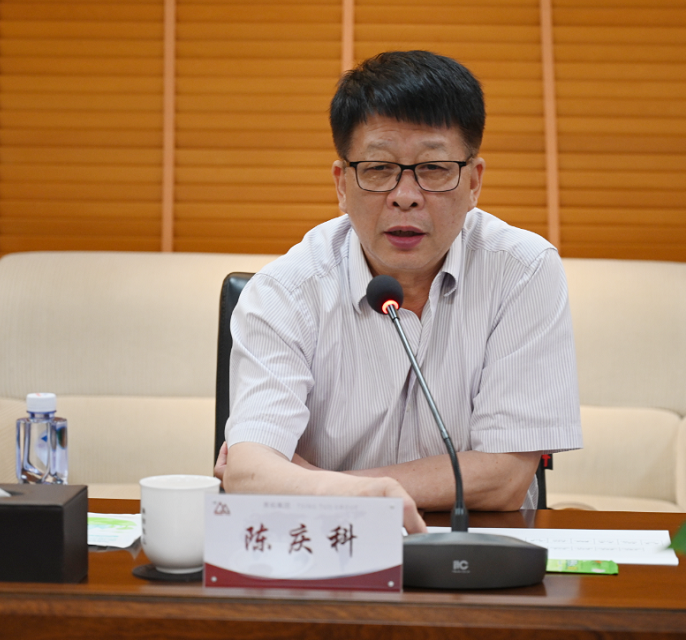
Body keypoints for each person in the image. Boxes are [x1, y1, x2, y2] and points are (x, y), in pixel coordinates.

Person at [218, 51, 581, 534]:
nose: (405, 195)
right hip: (329, 548)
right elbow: (248, 472)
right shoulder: (285, 290)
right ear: (342, 184)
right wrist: (340, 493)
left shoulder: (523, 271)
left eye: (434, 168)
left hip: (477, 550)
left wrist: (326, 486)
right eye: (378, 168)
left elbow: (505, 479)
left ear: (474, 182)